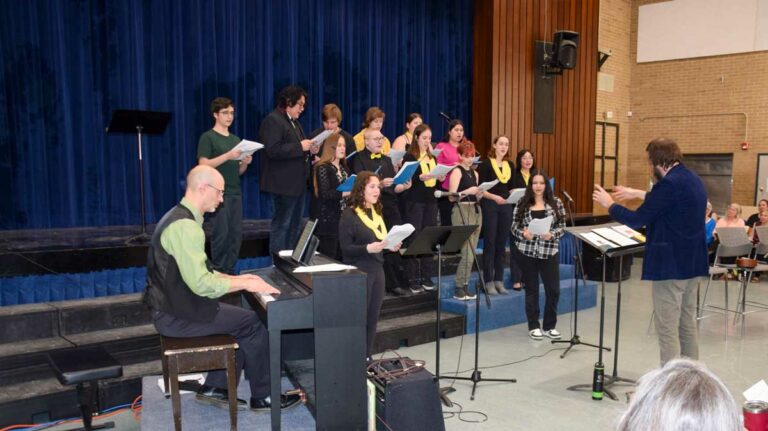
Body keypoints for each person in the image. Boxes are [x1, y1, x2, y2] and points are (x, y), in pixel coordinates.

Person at [144, 165, 300, 411]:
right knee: (253, 323)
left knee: (237, 317)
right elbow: (202, 284)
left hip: (173, 308)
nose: (221, 199)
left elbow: (201, 272)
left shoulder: (178, 217)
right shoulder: (186, 227)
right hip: (175, 316)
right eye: (219, 192)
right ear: (202, 188)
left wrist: (238, 279)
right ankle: (264, 397)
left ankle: (216, 388)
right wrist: (245, 283)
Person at [593, 137, 708, 365]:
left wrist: (610, 205)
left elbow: (638, 219)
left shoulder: (668, 185)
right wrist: (635, 192)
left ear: (657, 162)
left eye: (649, 162)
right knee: (686, 324)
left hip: (671, 268)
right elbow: (669, 201)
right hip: (693, 264)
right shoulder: (691, 178)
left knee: (667, 329)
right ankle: (692, 376)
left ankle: (669, 382)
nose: (649, 167)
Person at [339, 172, 403, 356]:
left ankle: (367, 357)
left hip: (377, 271)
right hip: (359, 273)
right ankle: (354, 359)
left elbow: (379, 242)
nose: (377, 191)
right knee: (358, 320)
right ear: (361, 190)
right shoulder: (349, 215)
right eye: (372, 187)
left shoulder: (376, 213)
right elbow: (345, 249)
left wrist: (389, 245)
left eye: (378, 187)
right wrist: (367, 248)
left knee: (372, 319)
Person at [349, 129, 413, 296]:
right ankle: (386, 283)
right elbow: (359, 186)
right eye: (376, 139)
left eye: (381, 138)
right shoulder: (358, 159)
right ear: (366, 141)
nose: (380, 142)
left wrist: (404, 186)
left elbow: (394, 187)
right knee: (378, 243)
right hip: (371, 207)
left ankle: (396, 282)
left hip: (390, 205)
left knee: (395, 242)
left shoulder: (386, 159)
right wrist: (379, 185)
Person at [197, 97, 253, 275]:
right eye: (225, 113)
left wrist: (245, 163)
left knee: (235, 235)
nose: (230, 116)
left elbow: (238, 171)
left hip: (235, 191)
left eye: (232, 113)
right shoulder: (208, 137)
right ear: (215, 115)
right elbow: (203, 164)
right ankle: (219, 272)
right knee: (221, 234)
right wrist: (228, 156)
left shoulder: (235, 139)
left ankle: (229, 270)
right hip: (217, 194)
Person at [259, 85, 313, 255]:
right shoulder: (273, 120)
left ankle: (289, 260)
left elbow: (296, 149)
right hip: (283, 185)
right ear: (289, 102)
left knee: (295, 226)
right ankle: (278, 262)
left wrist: (310, 149)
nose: (302, 109)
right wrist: (300, 147)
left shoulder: (294, 122)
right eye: (300, 104)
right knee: (282, 226)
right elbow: (273, 150)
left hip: (297, 184)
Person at [511, 170, 565, 340]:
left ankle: (549, 326)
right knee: (532, 290)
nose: (538, 186)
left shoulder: (556, 202)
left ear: (546, 185)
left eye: (541, 183)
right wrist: (523, 234)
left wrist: (552, 234)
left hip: (549, 251)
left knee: (553, 290)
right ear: (531, 185)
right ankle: (534, 326)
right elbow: (514, 226)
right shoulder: (522, 202)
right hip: (527, 251)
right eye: (535, 183)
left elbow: (562, 226)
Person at [616, 359, 741, 431]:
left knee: (668, 334)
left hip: (673, 391)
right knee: (687, 329)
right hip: (693, 386)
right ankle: (689, 384)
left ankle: (673, 388)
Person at [401, 124, 442, 292]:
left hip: (430, 201)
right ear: (416, 137)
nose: (427, 141)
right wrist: (419, 177)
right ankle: (412, 278)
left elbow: (435, 182)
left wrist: (440, 176)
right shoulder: (410, 156)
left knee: (428, 238)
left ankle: (426, 276)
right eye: (424, 138)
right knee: (414, 238)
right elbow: (406, 179)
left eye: (429, 138)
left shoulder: (432, 158)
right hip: (415, 201)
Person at [477, 136, 516, 295]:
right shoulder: (486, 164)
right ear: (494, 145)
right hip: (490, 204)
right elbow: (480, 189)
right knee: (490, 243)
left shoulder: (510, 165)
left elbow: (511, 187)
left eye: (506, 144)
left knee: (501, 244)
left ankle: (499, 280)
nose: (503, 147)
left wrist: (515, 194)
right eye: (501, 144)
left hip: (506, 205)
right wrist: (494, 197)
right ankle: (488, 281)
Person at [448, 140, 485, 300]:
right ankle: (459, 287)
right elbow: (451, 197)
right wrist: (467, 191)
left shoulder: (475, 173)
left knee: (472, 251)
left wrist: (479, 194)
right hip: (462, 210)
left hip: (475, 209)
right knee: (467, 252)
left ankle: (464, 285)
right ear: (460, 156)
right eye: (467, 156)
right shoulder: (457, 171)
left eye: (472, 156)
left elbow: (475, 194)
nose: (470, 159)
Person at [310, 134, 350, 260]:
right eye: (339, 145)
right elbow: (325, 194)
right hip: (328, 220)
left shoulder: (343, 168)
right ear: (330, 147)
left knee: (340, 257)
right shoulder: (323, 167)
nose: (343, 148)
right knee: (329, 257)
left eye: (344, 145)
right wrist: (347, 193)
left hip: (342, 219)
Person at [507, 149, 536, 292]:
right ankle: (517, 279)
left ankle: (527, 278)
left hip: (533, 214)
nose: (528, 160)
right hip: (517, 214)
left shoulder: (536, 175)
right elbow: (509, 191)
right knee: (516, 247)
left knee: (530, 248)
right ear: (519, 160)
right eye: (524, 158)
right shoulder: (514, 174)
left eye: (530, 157)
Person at [435, 119, 466, 226]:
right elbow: (437, 166)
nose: (459, 133)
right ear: (449, 132)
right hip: (446, 188)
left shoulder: (465, 147)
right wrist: (453, 166)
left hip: (463, 188)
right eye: (456, 130)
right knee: (448, 222)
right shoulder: (441, 146)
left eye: (461, 130)